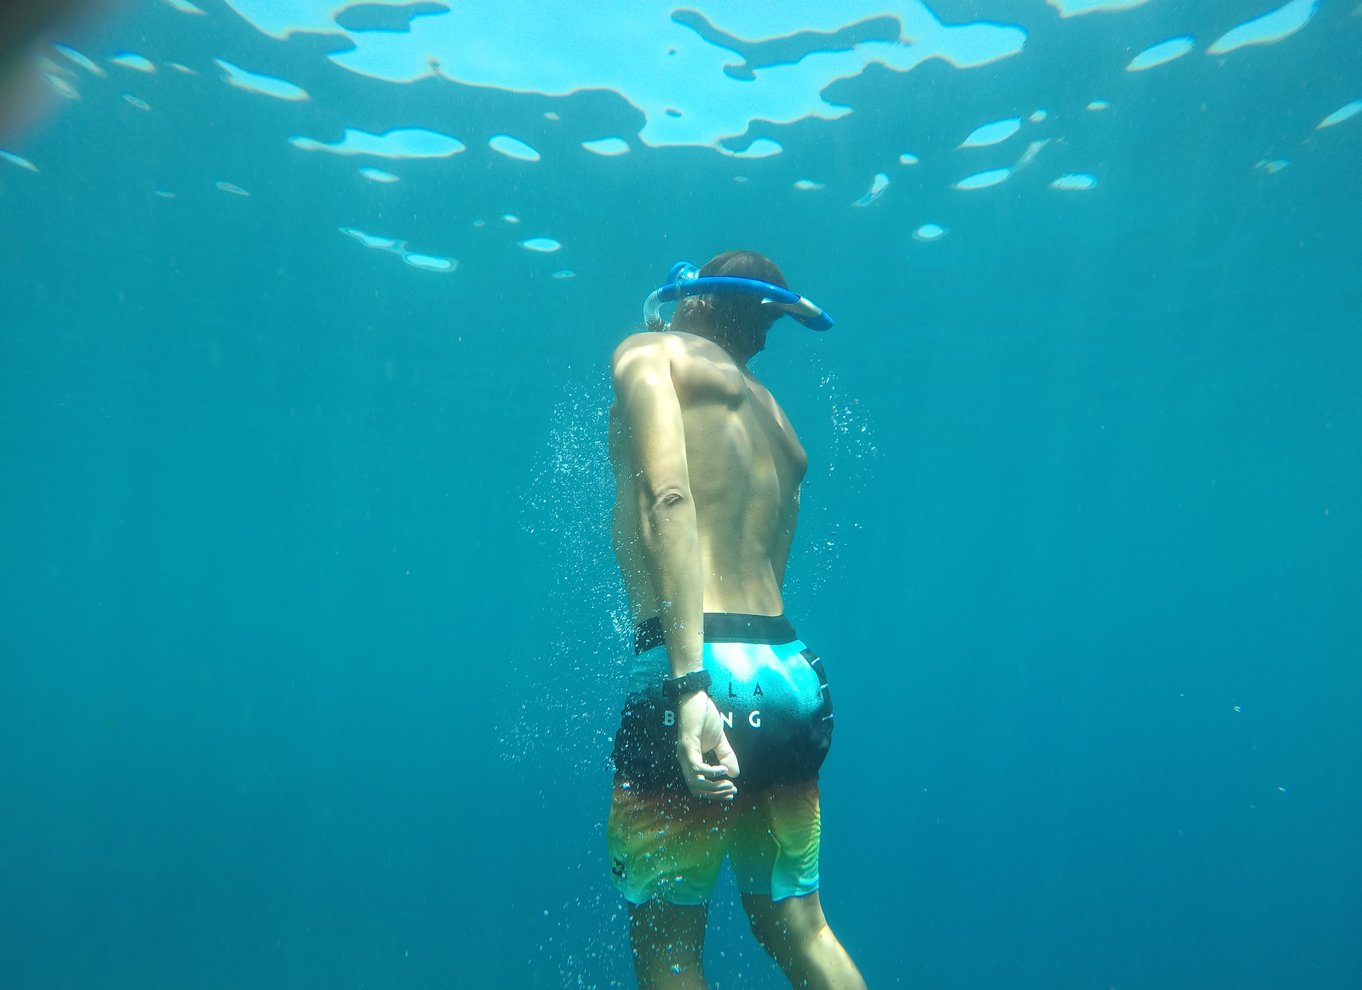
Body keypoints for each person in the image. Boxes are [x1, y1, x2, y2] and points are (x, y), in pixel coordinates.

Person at [606, 250, 866, 989]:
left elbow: (668, 497)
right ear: (763, 328)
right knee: (801, 929)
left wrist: (690, 687)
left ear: (691, 301)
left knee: (670, 948)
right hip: (786, 670)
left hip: (695, 669)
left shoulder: (649, 351)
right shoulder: (779, 424)